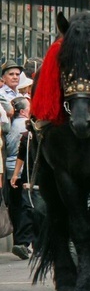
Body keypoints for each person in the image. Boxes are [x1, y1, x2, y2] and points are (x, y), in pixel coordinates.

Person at [4, 96, 33, 260]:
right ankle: (23, 242)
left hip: (11, 170)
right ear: (22, 111)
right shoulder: (24, 126)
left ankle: (21, 241)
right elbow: (22, 151)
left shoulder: (14, 124)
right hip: (22, 170)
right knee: (26, 206)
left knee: (17, 206)